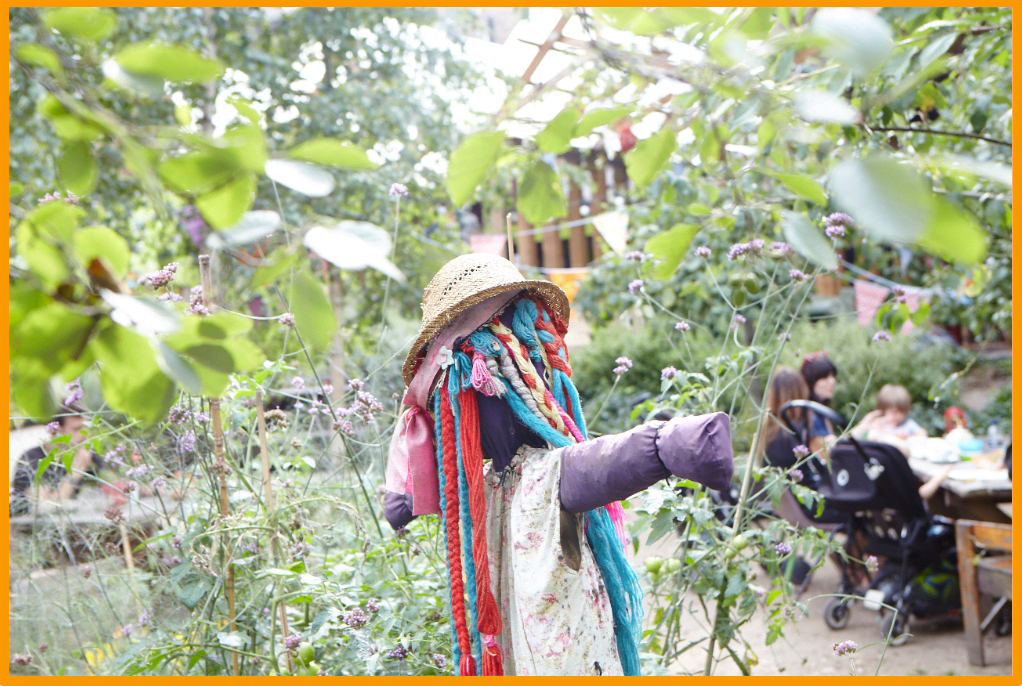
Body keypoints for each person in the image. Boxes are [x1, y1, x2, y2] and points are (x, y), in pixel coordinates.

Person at [384, 253, 734, 676]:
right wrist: (668, 445)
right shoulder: (500, 487)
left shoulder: (499, 487)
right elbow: (595, 466)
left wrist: (665, 445)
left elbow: (597, 466)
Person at [10, 405, 104, 516]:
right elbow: (45, 506)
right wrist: (75, 473)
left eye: (87, 428)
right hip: (30, 528)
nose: (85, 435)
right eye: (77, 429)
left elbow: (113, 489)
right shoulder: (32, 459)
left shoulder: (86, 455)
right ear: (57, 431)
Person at [851, 384, 927, 443]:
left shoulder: (907, 424)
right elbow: (871, 438)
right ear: (883, 410)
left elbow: (923, 433)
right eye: (894, 412)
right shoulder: (879, 424)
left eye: (902, 412)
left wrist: (907, 436)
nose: (898, 416)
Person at [800, 351, 839, 454]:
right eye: (825, 377)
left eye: (832, 376)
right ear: (811, 381)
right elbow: (823, 453)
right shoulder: (808, 414)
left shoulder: (821, 411)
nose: (832, 381)